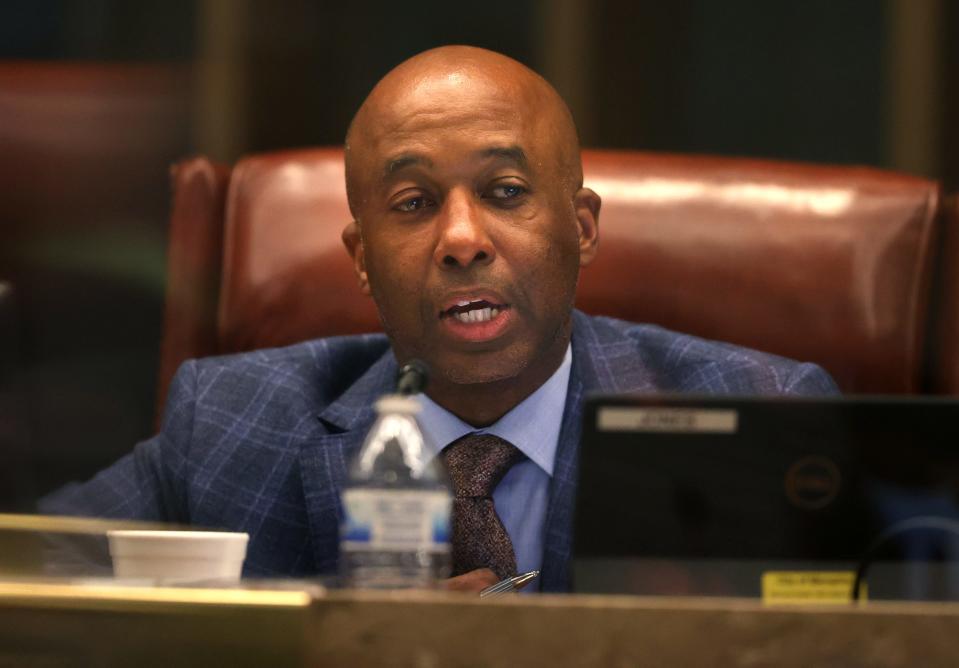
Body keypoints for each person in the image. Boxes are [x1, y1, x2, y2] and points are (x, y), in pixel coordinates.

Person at [41, 46, 837, 592]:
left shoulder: (762, 415)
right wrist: (337, 639)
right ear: (360, 256)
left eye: (505, 192)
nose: (461, 240)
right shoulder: (226, 422)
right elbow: (31, 579)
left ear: (582, 228)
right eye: (414, 204)